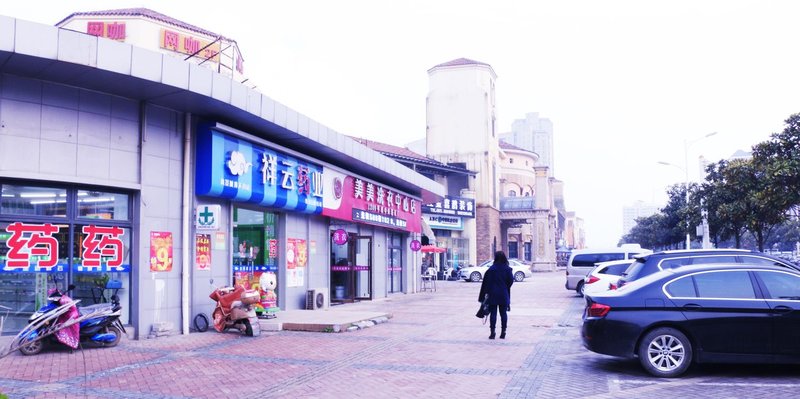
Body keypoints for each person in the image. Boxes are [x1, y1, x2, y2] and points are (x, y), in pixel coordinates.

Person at [478, 250, 514, 339]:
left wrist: (484, 295)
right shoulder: (507, 269)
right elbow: (510, 281)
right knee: (503, 313)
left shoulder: (491, 269)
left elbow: (486, 283)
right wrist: (505, 287)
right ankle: (503, 332)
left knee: (493, 313)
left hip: (492, 294)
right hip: (503, 294)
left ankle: (492, 333)